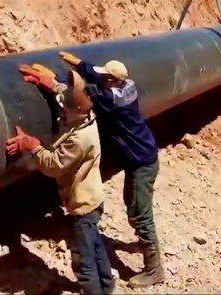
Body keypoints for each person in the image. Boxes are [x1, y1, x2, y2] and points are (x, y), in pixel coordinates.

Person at [59, 52, 165, 287]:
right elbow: (98, 78)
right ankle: (144, 245)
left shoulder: (114, 101)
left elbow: (85, 99)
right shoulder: (126, 85)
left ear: (113, 80)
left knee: (140, 214)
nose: (104, 79)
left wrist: (57, 85)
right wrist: (76, 62)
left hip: (141, 163)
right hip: (142, 156)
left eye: (107, 77)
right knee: (132, 203)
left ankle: (154, 269)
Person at [8, 66, 114, 295]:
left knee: (84, 260)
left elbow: (53, 166)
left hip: (83, 206)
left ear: (74, 110)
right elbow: (70, 98)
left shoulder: (79, 139)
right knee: (96, 246)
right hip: (93, 199)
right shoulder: (86, 116)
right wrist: (50, 84)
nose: (61, 113)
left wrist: (32, 146)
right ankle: (106, 286)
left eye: (64, 110)